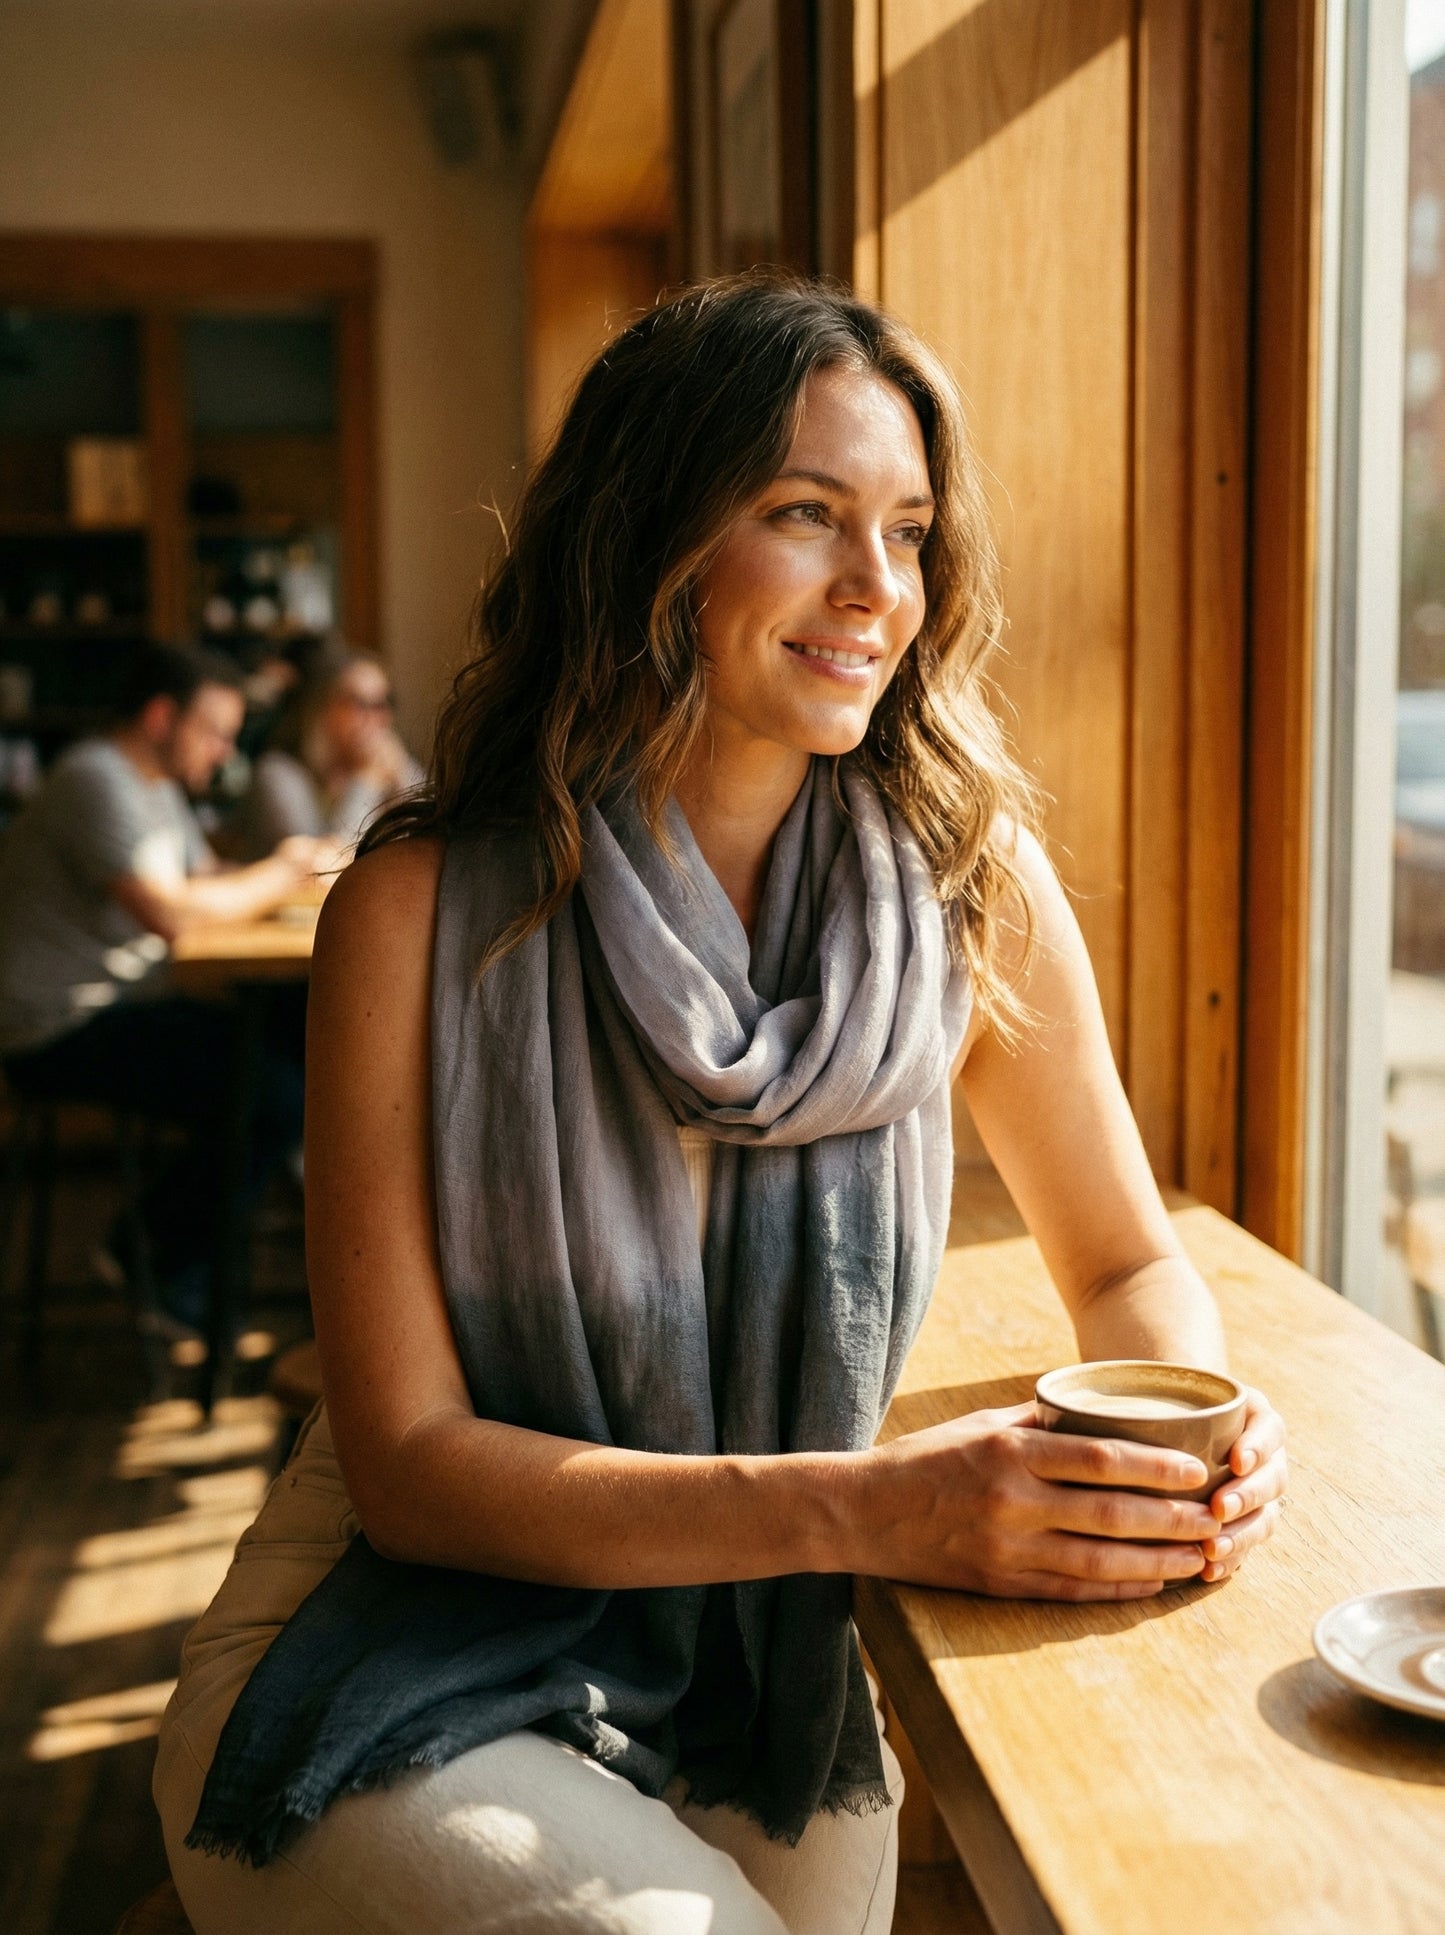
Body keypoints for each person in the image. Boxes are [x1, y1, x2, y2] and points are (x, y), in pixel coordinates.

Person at [153, 276, 1288, 1935]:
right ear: (651, 539)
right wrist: (879, 1507)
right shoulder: (416, 908)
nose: (875, 589)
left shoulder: (972, 895)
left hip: (765, 1675)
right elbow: (405, 1466)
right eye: (805, 515)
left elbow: (1127, 1261)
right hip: (392, 1640)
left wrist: (1185, 1422)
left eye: (907, 532)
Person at [0, 641, 337, 1332]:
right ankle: (156, 1253)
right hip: (56, 1025)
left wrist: (294, 869)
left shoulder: (155, 788)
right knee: (271, 1091)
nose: (222, 751)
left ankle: (283, 1255)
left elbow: (207, 881)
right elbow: (173, 915)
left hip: (123, 1002)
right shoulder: (94, 778)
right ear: (160, 717)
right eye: (214, 731)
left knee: (303, 1029)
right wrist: (282, 870)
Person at [227, 645, 422, 861]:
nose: (379, 718)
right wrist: (365, 783)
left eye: (384, 703)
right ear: (323, 708)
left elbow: (431, 839)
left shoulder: (388, 765)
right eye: (361, 703)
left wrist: (403, 777)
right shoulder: (278, 774)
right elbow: (321, 868)